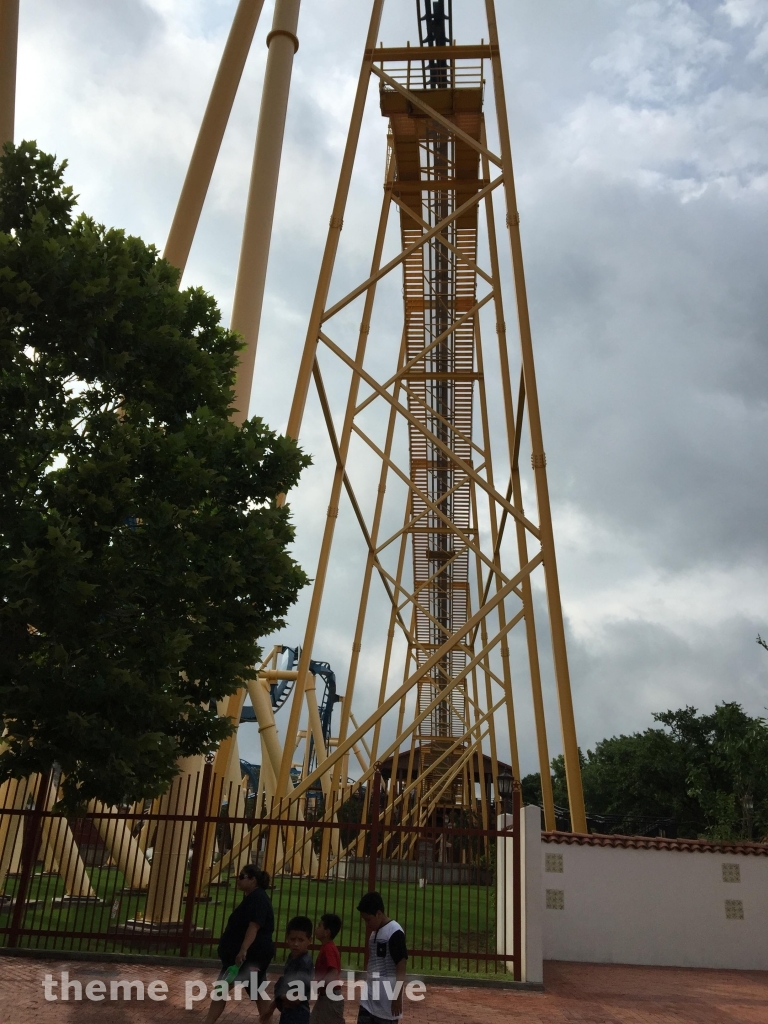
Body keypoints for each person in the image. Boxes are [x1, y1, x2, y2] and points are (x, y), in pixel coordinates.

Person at [204, 866, 275, 1022]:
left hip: (248, 957)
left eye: (242, 876)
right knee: (257, 992)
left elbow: (254, 926)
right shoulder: (253, 897)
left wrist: (243, 949)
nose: (238, 879)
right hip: (248, 957)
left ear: (253, 880)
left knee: (222, 989)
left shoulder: (258, 898)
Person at [356, 892, 407, 1023]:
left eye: (368, 920)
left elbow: (401, 966)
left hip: (386, 1002)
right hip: (368, 999)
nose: (367, 924)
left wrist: (397, 997)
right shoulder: (374, 933)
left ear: (379, 914)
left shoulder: (394, 932)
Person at [261, 915, 314, 1024]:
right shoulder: (292, 957)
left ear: (309, 940)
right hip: (288, 1012)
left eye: (301, 940)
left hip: (298, 1014)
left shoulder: (304, 964)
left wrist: (279, 994)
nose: (296, 944)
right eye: (292, 939)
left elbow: (296, 998)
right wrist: (272, 1008)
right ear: (287, 938)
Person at [310, 913, 344, 1023]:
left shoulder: (328, 949)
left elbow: (333, 972)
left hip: (330, 998)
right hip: (325, 996)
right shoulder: (327, 947)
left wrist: (319, 984)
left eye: (319, 926)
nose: (316, 928)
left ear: (327, 932)